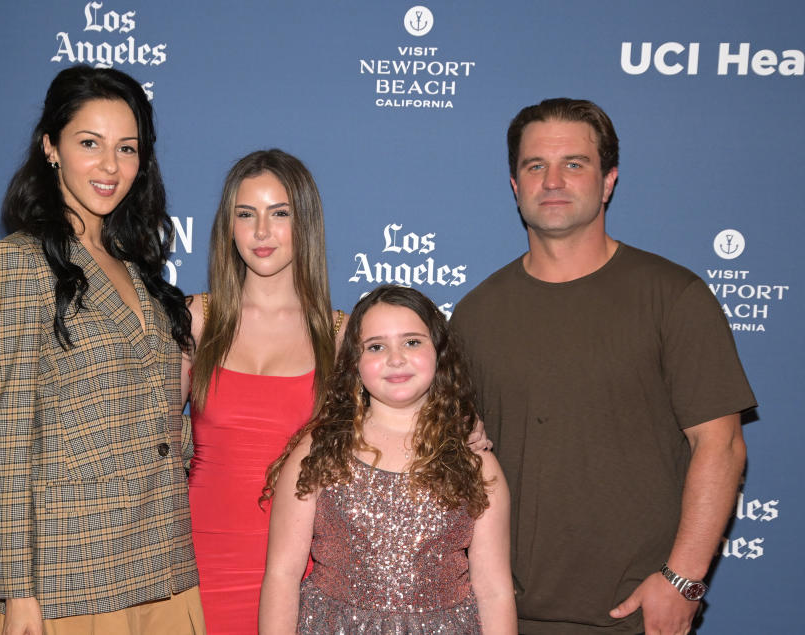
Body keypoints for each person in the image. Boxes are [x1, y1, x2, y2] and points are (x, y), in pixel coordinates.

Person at [450, 98, 756, 634]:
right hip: (502, 615)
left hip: (635, 613)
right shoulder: (477, 313)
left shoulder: (673, 296)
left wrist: (682, 579)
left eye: (574, 163)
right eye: (534, 166)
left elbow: (721, 445)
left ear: (608, 180)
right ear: (515, 185)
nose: (553, 181)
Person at [0, 65, 204, 634]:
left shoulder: (140, 272)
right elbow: (6, 442)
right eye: (89, 143)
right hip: (70, 581)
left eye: (127, 148)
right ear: (51, 147)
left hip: (165, 565)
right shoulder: (15, 265)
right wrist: (16, 593)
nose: (109, 166)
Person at [259, 285, 516, 634]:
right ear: (354, 362)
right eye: (376, 346)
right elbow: (282, 574)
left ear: (439, 352)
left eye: (412, 342)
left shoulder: (476, 463)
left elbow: (495, 591)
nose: (396, 359)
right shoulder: (318, 451)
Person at [184, 149, 346, 634]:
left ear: (305, 223)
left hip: (304, 573)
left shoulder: (342, 336)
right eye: (246, 214)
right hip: (197, 565)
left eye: (279, 214)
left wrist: (468, 428)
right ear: (227, 226)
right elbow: (150, 437)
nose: (261, 232)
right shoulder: (195, 319)